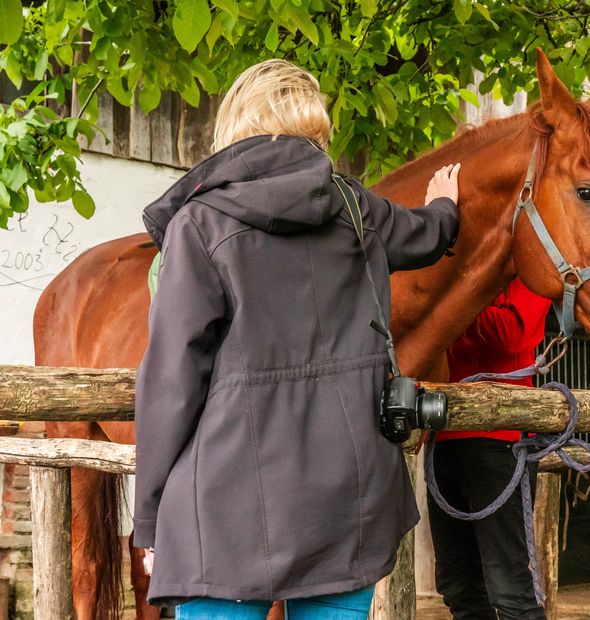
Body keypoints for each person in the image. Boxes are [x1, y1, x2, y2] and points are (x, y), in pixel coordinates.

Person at [134, 59, 461, 620]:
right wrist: (446, 206)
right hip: (346, 503)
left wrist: (151, 516)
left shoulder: (201, 225)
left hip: (226, 514)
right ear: (317, 127)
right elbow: (426, 236)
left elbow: (172, 381)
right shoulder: (356, 208)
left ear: (236, 123)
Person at [427, 278, 551, 620]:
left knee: (511, 589)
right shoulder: (461, 273)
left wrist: (450, 304)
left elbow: (509, 336)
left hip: (502, 443)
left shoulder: (529, 276)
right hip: (443, 440)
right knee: (458, 587)